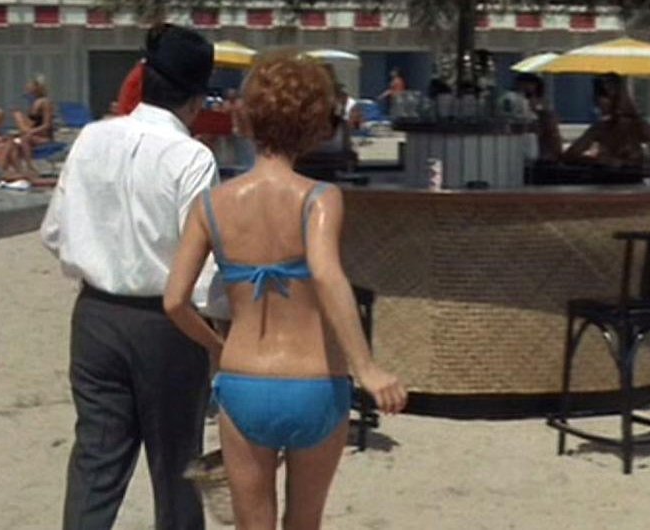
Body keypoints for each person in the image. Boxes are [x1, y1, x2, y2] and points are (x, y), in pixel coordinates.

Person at [163, 54, 407, 530]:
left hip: (244, 380)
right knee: (305, 520)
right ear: (312, 124)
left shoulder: (211, 205)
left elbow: (174, 301)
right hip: (315, 380)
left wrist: (217, 345)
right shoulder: (319, 198)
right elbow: (327, 275)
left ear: (249, 117)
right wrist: (366, 367)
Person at [41, 23, 218, 530]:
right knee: (178, 465)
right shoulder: (192, 157)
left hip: (95, 315)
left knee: (96, 462)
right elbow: (202, 271)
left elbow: (54, 232)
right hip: (166, 324)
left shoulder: (92, 138)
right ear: (196, 99)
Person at [564, 73, 650, 169]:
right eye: (597, 96)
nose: (598, 103)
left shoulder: (641, 127)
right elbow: (570, 155)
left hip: (635, 178)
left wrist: (625, 163)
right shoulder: (601, 128)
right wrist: (596, 161)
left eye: (604, 96)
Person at [514, 73, 563, 163]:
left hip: (541, 162)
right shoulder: (507, 118)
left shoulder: (545, 116)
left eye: (527, 95)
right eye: (517, 94)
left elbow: (555, 150)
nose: (521, 99)